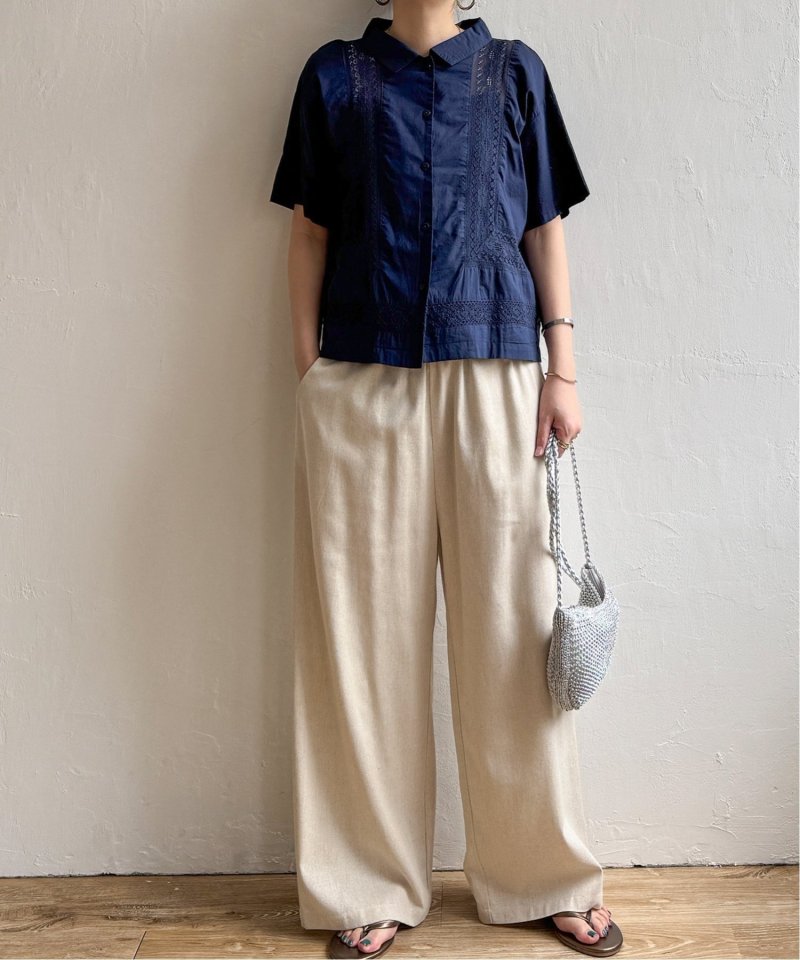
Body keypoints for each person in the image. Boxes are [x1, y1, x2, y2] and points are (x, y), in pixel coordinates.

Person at [268, 1, 623, 957]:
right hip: (361, 378)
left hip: (498, 376)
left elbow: (544, 227)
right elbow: (308, 232)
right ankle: (366, 879)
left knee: (514, 628)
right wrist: (311, 376)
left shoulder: (515, 73)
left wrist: (563, 370)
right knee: (363, 641)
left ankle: (543, 871)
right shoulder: (334, 76)